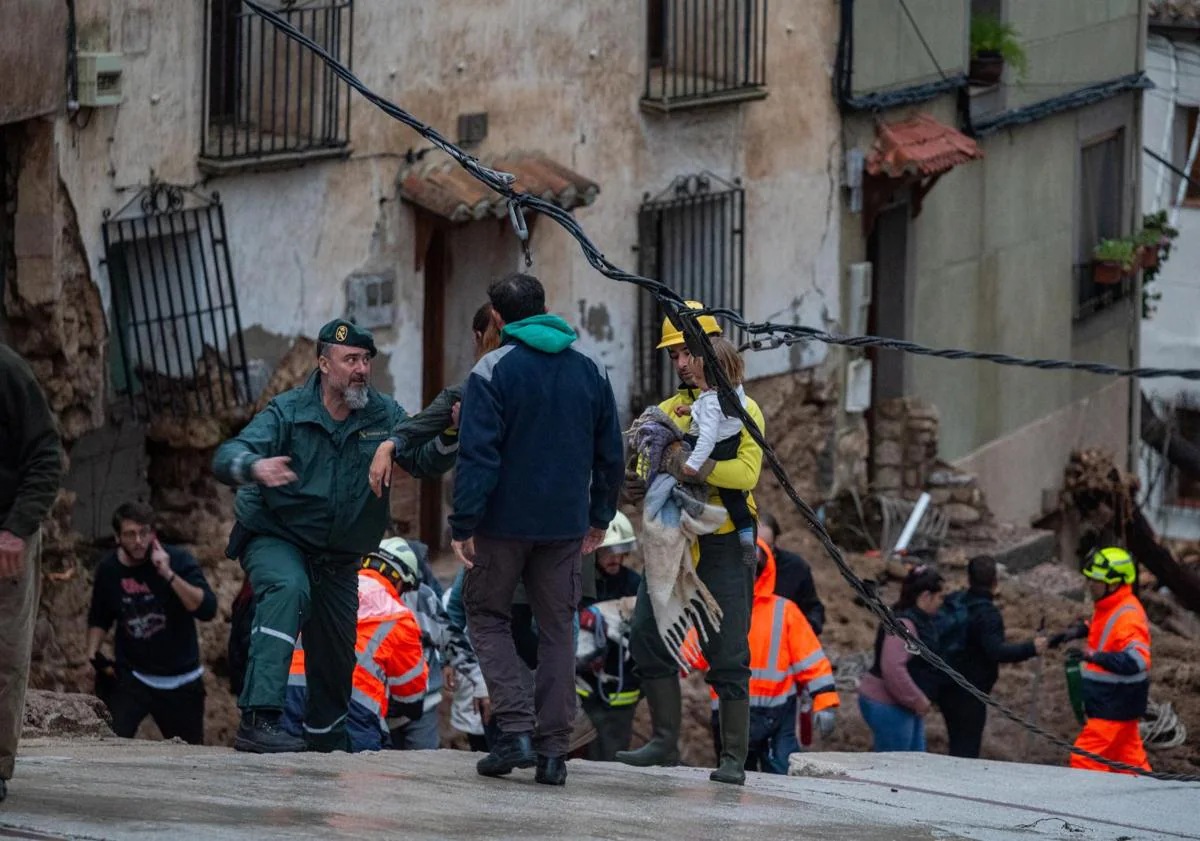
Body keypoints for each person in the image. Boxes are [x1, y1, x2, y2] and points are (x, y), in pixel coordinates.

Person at [212, 319, 457, 753]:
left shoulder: (383, 415)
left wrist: (451, 432)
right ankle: (259, 719)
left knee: (337, 650)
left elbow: (422, 461)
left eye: (366, 360)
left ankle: (326, 737)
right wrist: (254, 467)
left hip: (340, 556)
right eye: (350, 360)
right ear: (324, 364)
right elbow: (229, 453)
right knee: (289, 588)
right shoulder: (287, 412)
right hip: (278, 536)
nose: (361, 369)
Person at [451, 272, 624, 786]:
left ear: (499, 319)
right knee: (557, 630)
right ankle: (553, 753)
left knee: (483, 614)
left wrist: (464, 522)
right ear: (544, 308)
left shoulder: (491, 369)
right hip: (566, 527)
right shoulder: (590, 368)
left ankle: (516, 732)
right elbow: (611, 454)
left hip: (503, 525)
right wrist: (599, 517)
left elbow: (476, 456)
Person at [617, 300, 765, 786]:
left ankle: (732, 759)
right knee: (646, 633)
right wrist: (637, 480)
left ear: (710, 352)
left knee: (727, 650)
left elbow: (746, 473)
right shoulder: (666, 411)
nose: (680, 362)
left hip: (722, 543)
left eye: (686, 352)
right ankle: (663, 743)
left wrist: (689, 467)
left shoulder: (744, 409)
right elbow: (643, 460)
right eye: (673, 354)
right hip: (672, 544)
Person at [689, 536, 839, 774]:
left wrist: (825, 701)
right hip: (731, 715)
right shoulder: (715, 612)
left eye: (753, 570)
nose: (749, 576)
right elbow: (688, 654)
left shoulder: (785, 611)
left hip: (777, 715)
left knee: (782, 782)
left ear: (763, 571)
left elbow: (811, 660)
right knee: (735, 786)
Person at [85, 503, 217, 744]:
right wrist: (92, 654)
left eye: (144, 533)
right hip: (133, 676)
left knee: (188, 756)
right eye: (130, 534)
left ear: (152, 534)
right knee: (110, 743)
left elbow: (207, 609)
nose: (138, 540)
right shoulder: (109, 569)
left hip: (181, 679)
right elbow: (100, 615)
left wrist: (167, 574)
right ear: (117, 537)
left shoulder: (178, 560)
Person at [282, 542, 428, 751]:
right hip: (353, 710)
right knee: (356, 778)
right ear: (399, 581)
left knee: (285, 772)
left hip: (290, 696)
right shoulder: (398, 616)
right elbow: (412, 699)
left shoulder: (328, 589)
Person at [0, 343, 64, 803]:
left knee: (5, 651)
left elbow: (46, 457)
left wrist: (18, 529)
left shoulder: (9, 370)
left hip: (8, 531)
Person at [938, 555, 1047, 759]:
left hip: (947, 686)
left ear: (969, 579)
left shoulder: (955, 601)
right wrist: (1031, 648)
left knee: (956, 744)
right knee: (966, 751)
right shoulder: (987, 614)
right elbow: (997, 652)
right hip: (970, 692)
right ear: (995, 582)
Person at [388, 537, 489, 751]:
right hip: (375, 707)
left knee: (423, 767)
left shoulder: (420, 598)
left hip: (422, 703)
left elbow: (449, 635)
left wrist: (479, 684)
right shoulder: (362, 597)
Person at [1068, 547, 1152, 774]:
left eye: (1096, 580)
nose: (1090, 584)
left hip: (1113, 706)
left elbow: (1136, 660)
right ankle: (1148, 807)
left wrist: (1093, 656)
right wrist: (1078, 631)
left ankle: (1089, 808)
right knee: (1128, 764)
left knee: (1084, 760)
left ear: (1113, 583)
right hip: (1118, 704)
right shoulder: (1110, 605)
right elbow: (1106, 631)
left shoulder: (1127, 615)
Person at [677, 337, 757, 567]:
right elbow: (706, 407)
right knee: (733, 497)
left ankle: (688, 512)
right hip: (730, 444)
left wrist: (693, 464)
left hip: (715, 447)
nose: (698, 384)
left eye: (700, 378)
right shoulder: (733, 391)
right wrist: (690, 409)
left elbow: (707, 438)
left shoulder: (712, 399)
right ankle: (746, 537)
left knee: (682, 445)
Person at [576, 512, 643, 761]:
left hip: (623, 693)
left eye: (619, 550)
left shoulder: (634, 584)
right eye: (608, 551)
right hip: (585, 690)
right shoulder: (580, 584)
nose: (615, 557)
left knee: (612, 757)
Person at [858, 565, 944, 752]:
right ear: (926, 596)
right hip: (890, 705)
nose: (941, 603)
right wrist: (917, 699)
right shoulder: (905, 624)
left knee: (914, 762)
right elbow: (892, 668)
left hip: (904, 705)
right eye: (939, 597)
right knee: (895, 766)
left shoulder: (920, 621)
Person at [757, 510, 825, 636]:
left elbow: (814, 610)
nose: (760, 555)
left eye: (767, 547)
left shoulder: (795, 569)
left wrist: (805, 629)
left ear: (774, 543)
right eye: (756, 547)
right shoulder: (737, 570)